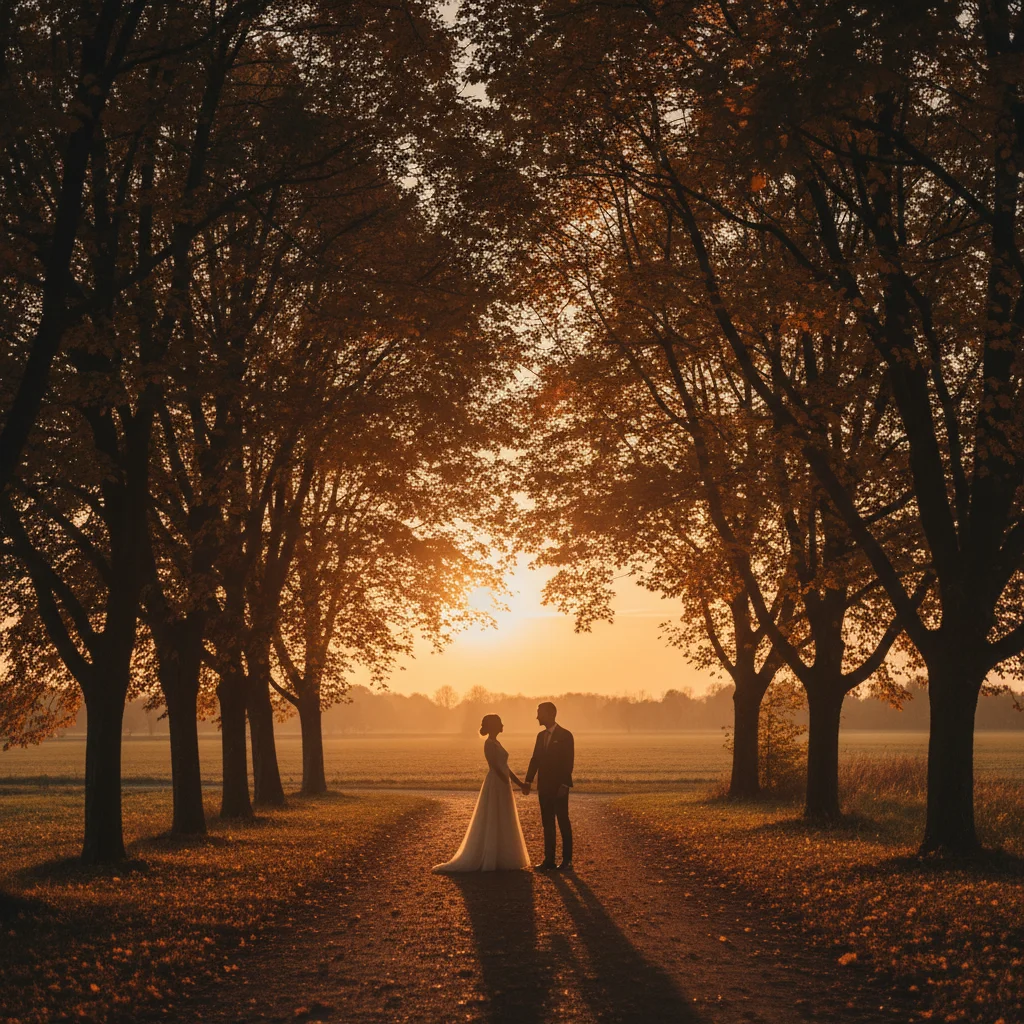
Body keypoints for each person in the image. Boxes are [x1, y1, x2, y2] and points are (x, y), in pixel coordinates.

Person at [432, 714, 531, 873]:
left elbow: (505, 767)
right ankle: (490, 856)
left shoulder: (497, 742)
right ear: (493, 726)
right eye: (499, 723)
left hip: (502, 782)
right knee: (493, 815)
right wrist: (505, 781)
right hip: (496, 784)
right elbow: (494, 766)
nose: (502, 725)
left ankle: (501, 854)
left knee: (503, 816)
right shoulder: (489, 744)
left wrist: (518, 783)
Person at [522, 701, 574, 871]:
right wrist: (528, 780)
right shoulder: (540, 736)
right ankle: (549, 860)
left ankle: (567, 861)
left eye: (539, 713)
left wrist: (565, 785)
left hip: (559, 787)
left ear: (550, 714)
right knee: (547, 823)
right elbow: (535, 759)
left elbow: (568, 763)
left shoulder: (566, 735)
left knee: (563, 822)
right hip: (543, 787)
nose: (537, 716)